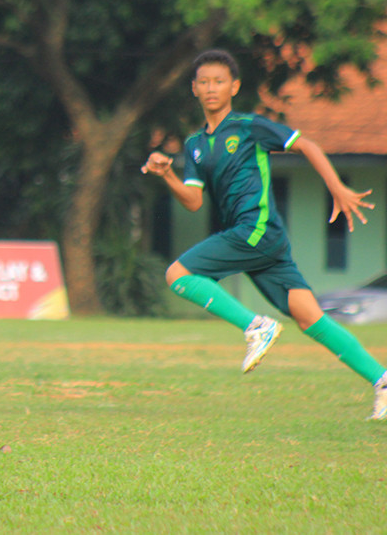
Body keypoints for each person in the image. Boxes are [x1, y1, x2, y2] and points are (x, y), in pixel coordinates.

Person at [142, 48, 386, 419]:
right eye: (204, 82)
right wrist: (168, 175)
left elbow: (304, 143)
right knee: (309, 318)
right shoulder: (194, 146)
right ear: (194, 88)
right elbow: (193, 201)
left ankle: (255, 325)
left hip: (254, 229)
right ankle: (382, 380)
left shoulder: (248, 126)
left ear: (234, 87)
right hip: (262, 239)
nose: (211, 88)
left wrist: (336, 186)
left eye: (219, 81)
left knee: (178, 274)